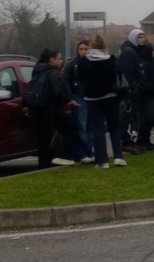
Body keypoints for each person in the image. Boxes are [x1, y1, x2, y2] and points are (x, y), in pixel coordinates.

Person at [77, 34, 127, 168]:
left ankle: (102, 160)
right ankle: (118, 157)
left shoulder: (84, 62)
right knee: (114, 126)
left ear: (91, 46)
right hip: (111, 96)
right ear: (104, 46)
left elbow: (81, 79)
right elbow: (118, 76)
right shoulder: (111, 59)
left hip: (92, 98)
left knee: (98, 128)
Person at [29, 48, 79, 168]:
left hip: (37, 108)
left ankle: (43, 165)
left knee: (43, 139)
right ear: (52, 60)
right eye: (59, 58)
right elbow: (57, 92)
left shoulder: (37, 71)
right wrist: (67, 100)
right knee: (71, 130)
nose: (61, 61)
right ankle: (62, 156)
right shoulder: (54, 73)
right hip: (52, 108)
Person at [63, 39, 95, 163]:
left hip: (91, 96)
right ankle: (81, 153)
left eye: (85, 49)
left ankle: (89, 152)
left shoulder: (93, 63)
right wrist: (70, 98)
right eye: (80, 49)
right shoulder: (72, 64)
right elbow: (66, 81)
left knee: (90, 125)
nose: (83, 51)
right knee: (81, 125)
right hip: (79, 96)